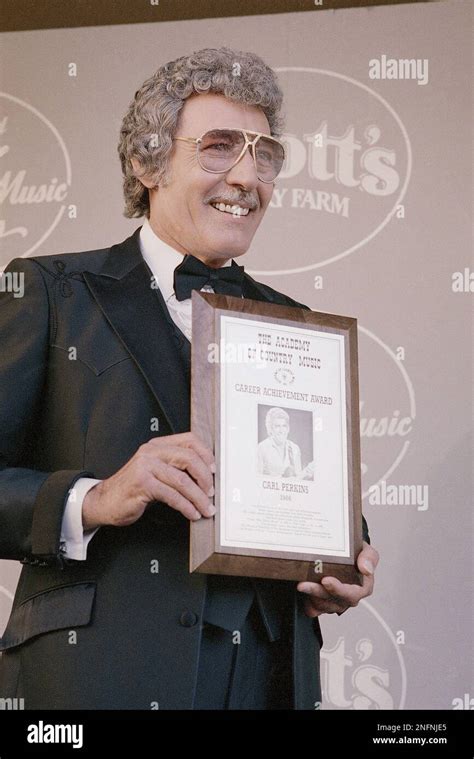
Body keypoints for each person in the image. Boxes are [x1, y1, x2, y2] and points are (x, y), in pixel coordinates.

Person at [0, 47, 379, 710]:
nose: (248, 176)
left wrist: (347, 560)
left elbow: (309, 502)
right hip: (95, 676)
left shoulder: (297, 325)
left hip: (271, 676)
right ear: (148, 163)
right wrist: (96, 495)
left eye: (264, 153)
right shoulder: (50, 291)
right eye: (219, 146)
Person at [257, 407, 303, 478]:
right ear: (271, 429)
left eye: (284, 426)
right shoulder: (261, 448)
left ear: (288, 429)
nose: (281, 430)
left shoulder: (295, 448)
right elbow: (257, 478)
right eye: (277, 426)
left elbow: (299, 478)